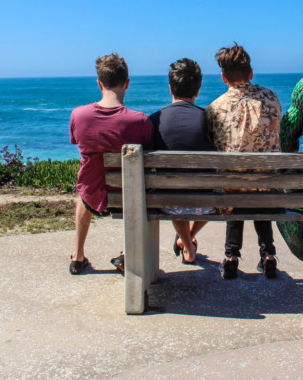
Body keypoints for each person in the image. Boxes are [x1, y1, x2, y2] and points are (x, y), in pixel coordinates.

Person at [69, 53, 153, 275]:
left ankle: (77, 256)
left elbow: (78, 143)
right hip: (127, 197)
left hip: (92, 194)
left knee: (83, 194)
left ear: (99, 84)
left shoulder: (78, 115)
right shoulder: (141, 121)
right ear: (127, 83)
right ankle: (127, 255)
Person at [205, 43, 281, 279]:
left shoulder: (214, 108)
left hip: (231, 193)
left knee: (234, 181)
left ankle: (231, 256)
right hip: (270, 192)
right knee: (259, 183)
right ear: (251, 73)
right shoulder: (271, 98)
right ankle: (268, 254)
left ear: (223, 77)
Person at [149, 58, 215, 265]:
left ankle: (186, 244)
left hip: (168, 203)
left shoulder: (153, 120)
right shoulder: (211, 120)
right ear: (198, 89)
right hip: (209, 204)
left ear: (170, 88)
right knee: (201, 190)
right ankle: (188, 241)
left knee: (173, 190)